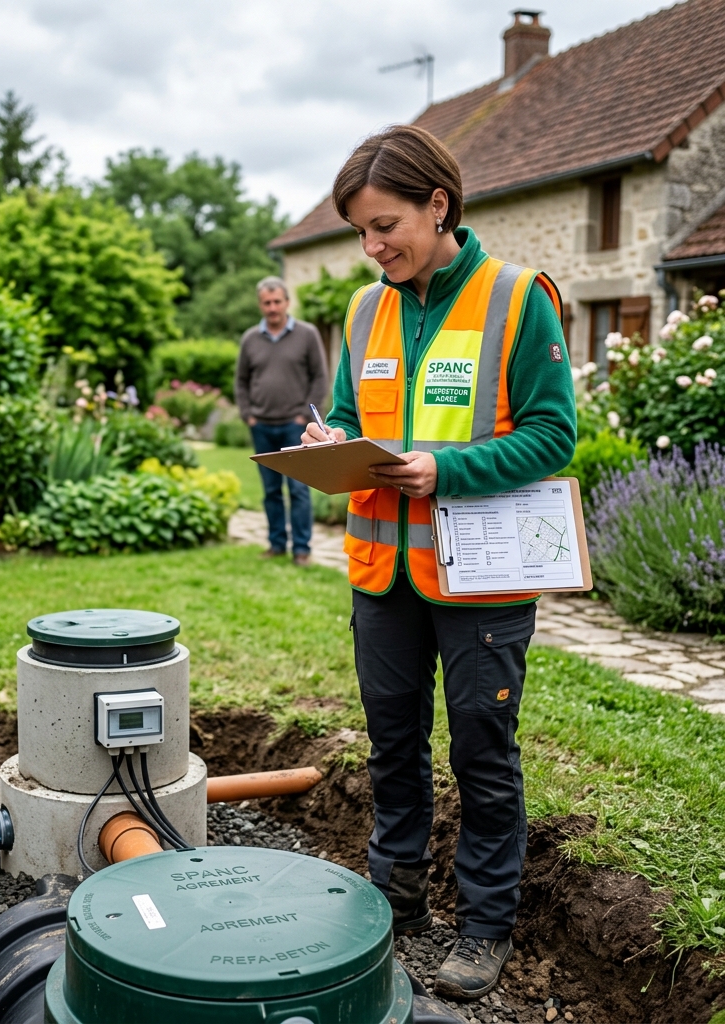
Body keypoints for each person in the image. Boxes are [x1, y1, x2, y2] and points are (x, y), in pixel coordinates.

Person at [302, 125, 575, 1001]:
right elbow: (351, 413)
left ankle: (487, 923)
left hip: (477, 577)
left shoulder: (516, 297)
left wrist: (444, 468)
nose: (373, 247)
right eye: (359, 233)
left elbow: (552, 433)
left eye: (385, 226)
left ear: (438, 205)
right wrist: (331, 443)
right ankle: (397, 896)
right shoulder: (363, 308)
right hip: (383, 574)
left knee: (483, 752)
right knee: (392, 743)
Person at [236, 276, 328, 566]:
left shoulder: (307, 334)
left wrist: (305, 414)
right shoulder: (250, 338)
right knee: (271, 490)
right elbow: (241, 380)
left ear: (287, 302)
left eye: (277, 301)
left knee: (299, 489)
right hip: (261, 425)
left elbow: (320, 377)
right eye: (267, 302)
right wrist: (247, 414)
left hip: (295, 425)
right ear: (260, 305)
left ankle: (301, 550)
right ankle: (276, 544)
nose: (273, 307)